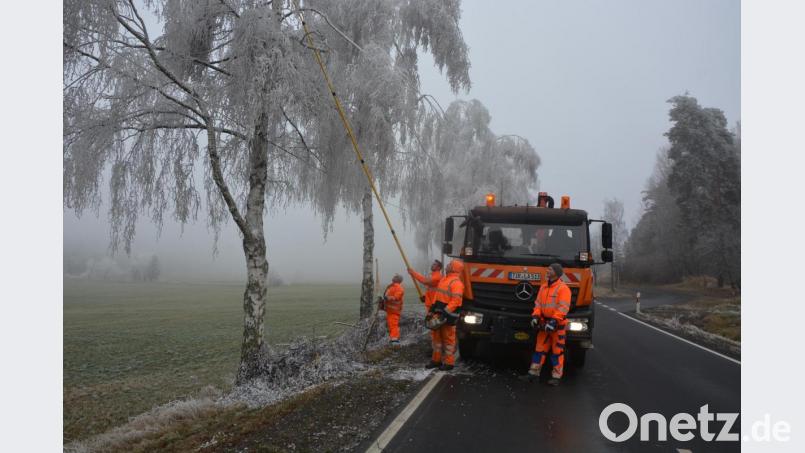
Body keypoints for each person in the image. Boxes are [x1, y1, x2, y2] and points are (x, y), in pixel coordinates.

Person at [529, 262, 572, 385]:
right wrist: (536, 316)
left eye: (550, 269)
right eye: (548, 269)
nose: (547, 271)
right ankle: (533, 373)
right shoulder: (543, 287)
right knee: (539, 350)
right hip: (544, 324)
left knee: (557, 352)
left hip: (557, 326)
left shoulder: (563, 289)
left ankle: (556, 377)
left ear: (556, 273)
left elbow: (563, 308)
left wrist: (554, 321)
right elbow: (538, 304)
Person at [425, 259, 465, 371]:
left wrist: (445, 312)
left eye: (449, 265)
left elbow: (456, 301)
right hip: (439, 314)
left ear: (453, 268)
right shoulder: (444, 279)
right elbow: (437, 296)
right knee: (436, 339)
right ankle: (436, 360)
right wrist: (432, 310)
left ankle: (449, 363)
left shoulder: (456, 283)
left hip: (449, 316)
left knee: (448, 340)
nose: (446, 266)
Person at [382, 274, 405, 346]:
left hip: (394, 311)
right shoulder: (391, 286)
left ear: (398, 279)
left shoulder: (399, 288)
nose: (393, 277)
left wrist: (388, 298)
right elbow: (386, 296)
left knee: (393, 325)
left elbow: (396, 297)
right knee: (391, 325)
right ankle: (393, 339)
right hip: (389, 310)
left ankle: (395, 341)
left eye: (395, 276)